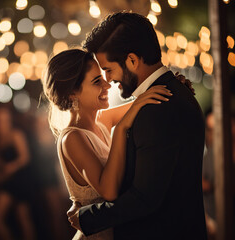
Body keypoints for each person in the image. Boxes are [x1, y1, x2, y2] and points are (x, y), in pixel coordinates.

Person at [66, 12, 207, 240]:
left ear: (132, 60)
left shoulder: (158, 108)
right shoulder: (163, 95)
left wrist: (87, 217)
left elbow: (144, 198)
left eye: (109, 70)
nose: (108, 80)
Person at [42, 48, 173, 239]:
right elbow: (109, 191)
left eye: (103, 77)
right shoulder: (72, 138)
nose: (107, 85)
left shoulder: (102, 120)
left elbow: (148, 101)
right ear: (72, 93)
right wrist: (120, 129)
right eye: (97, 81)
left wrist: (173, 88)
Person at [0, 107, 35, 240]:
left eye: (4, 119)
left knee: (23, 220)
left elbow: (25, 157)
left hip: (19, 181)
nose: (1, 122)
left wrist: (10, 167)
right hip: (6, 182)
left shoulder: (15, 134)